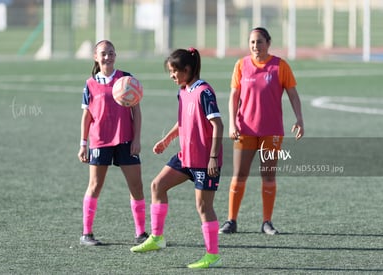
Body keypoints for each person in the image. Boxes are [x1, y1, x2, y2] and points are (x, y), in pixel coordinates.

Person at [130, 47, 224, 269]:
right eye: (170, 72)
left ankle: (212, 255)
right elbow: (183, 122)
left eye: (174, 71)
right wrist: (166, 140)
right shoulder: (183, 91)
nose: (172, 76)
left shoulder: (204, 92)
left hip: (205, 160)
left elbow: (218, 125)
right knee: (157, 185)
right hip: (186, 157)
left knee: (203, 207)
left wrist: (212, 157)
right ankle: (156, 238)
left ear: (187, 69)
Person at [219, 27, 304, 235]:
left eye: (259, 42)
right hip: (244, 129)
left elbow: (293, 94)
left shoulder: (280, 66)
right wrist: (232, 123)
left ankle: (267, 222)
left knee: (268, 176)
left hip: (271, 131)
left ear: (268, 43)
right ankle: (231, 220)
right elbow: (234, 96)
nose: (255, 46)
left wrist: (299, 118)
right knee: (239, 175)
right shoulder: (241, 65)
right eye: (252, 42)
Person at [77, 40, 148, 245]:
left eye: (111, 53)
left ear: (115, 55)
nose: (107, 57)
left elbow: (136, 111)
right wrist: (83, 144)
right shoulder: (90, 84)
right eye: (103, 53)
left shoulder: (126, 79)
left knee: (137, 186)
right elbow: (87, 117)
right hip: (99, 141)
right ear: (95, 57)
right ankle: (87, 234)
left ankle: (141, 233)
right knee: (95, 185)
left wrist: (136, 138)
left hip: (126, 140)